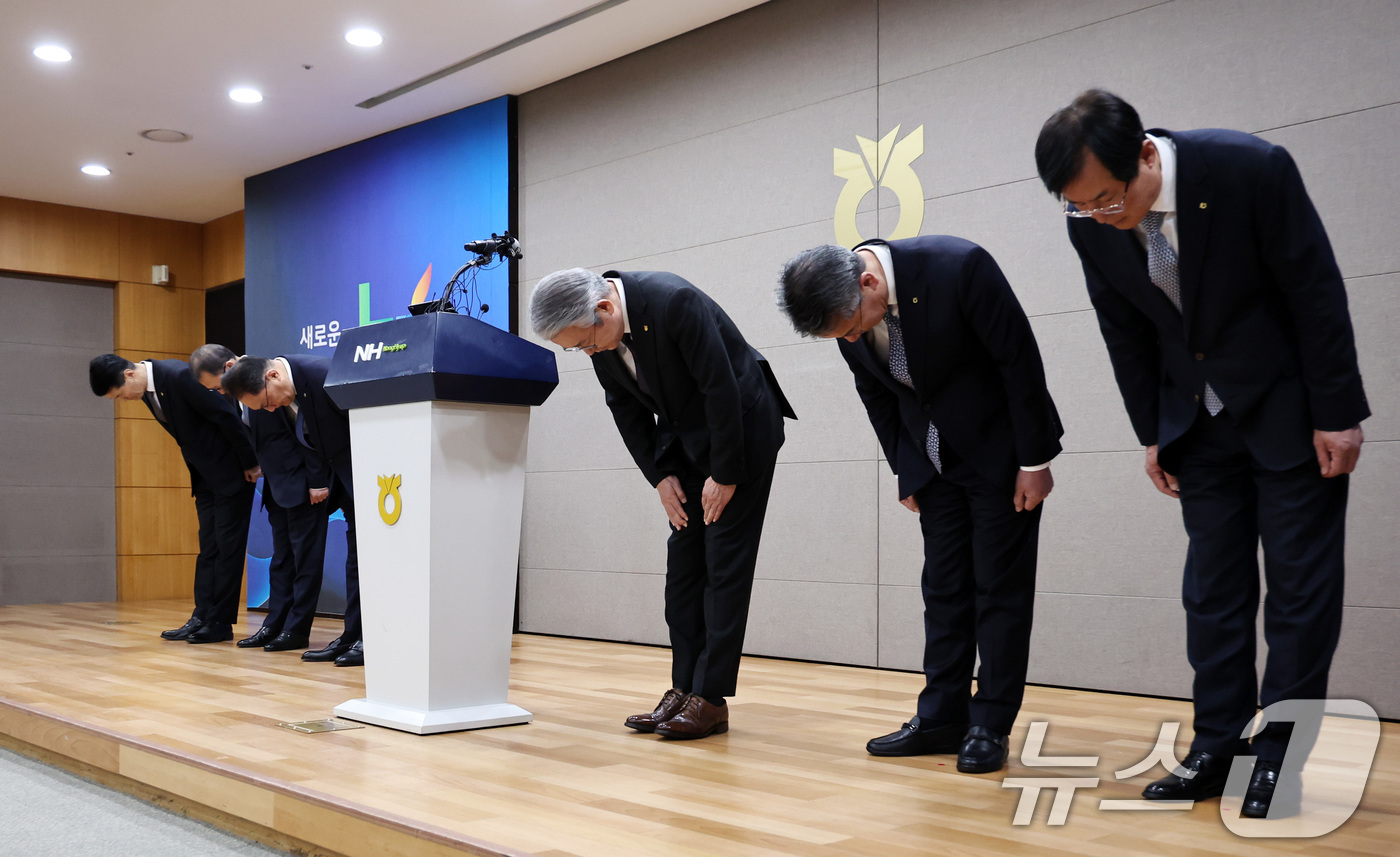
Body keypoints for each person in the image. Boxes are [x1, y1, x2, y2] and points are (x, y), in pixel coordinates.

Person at [1034, 89, 1368, 817]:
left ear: (1147, 155)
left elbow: (1315, 290)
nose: (1100, 216)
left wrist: (1338, 412)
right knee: (1211, 593)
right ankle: (1215, 747)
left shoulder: (1250, 169)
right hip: (1197, 422)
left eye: (1108, 199)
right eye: (1080, 206)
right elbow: (1121, 327)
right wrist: (1150, 429)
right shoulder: (1087, 222)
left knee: (1299, 594)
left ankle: (1276, 761)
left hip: (1291, 414)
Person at [776, 239, 1062, 774]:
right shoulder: (847, 317)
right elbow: (877, 393)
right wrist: (906, 470)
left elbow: (1018, 360)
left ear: (868, 282)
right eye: (842, 336)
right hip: (933, 465)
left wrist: (1034, 458)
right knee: (945, 589)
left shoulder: (959, 267)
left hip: (1002, 455)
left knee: (999, 588)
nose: (853, 338)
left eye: (853, 328)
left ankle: (989, 723)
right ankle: (940, 718)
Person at [529, 268, 795, 739]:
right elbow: (624, 405)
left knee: (723, 564)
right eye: (577, 349)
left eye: (586, 343)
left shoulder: (672, 302)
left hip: (741, 431)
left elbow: (720, 387)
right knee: (684, 571)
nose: (589, 353)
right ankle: (684, 687)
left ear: (606, 309)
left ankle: (710, 699)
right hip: (686, 442)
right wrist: (660, 476)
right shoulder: (598, 334)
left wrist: (725, 474)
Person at [88, 353, 259, 642]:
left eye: (119, 395)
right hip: (205, 477)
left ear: (129, 375)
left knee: (227, 550)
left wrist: (249, 463)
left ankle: (220, 622)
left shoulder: (178, 375)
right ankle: (201, 615)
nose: (123, 400)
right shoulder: (147, 389)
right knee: (209, 548)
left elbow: (226, 416)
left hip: (232, 474)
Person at [222, 354, 364, 668]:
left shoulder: (324, 374)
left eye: (267, 402)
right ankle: (353, 635)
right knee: (356, 561)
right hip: (345, 478)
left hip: (369, 478)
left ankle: (366, 640)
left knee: (367, 560)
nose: (271, 410)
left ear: (272, 376)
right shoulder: (291, 386)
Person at [191, 345, 331, 652]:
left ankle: (296, 629)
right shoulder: (242, 391)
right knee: (281, 561)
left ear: (229, 366)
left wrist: (317, 480)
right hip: (275, 487)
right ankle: (273, 624)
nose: (218, 391)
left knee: (305, 560)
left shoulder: (270, 384)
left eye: (217, 384)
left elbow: (307, 435)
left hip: (302, 484)